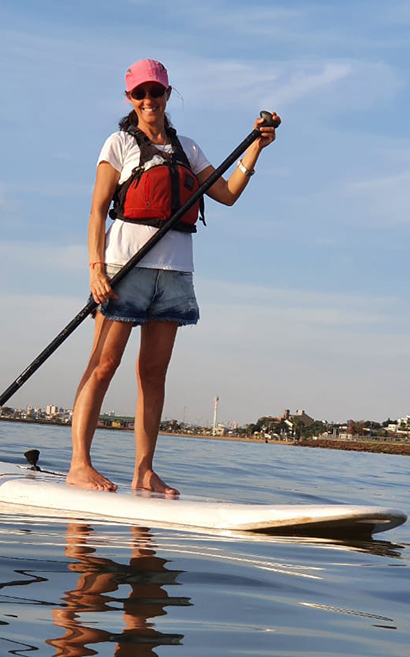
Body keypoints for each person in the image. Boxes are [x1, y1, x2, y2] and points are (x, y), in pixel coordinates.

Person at [67, 58, 279, 494]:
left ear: (167, 94)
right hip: (124, 268)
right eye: (140, 93)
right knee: (103, 365)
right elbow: (96, 211)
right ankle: (79, 464)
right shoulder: (118, 144)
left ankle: (144, 471)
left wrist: (256, 148)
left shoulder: (189, 149)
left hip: (175, 273)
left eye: (156, 92)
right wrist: (95, 268)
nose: (149, 100)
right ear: (130, 98)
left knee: (154, 374)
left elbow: (227, 194)